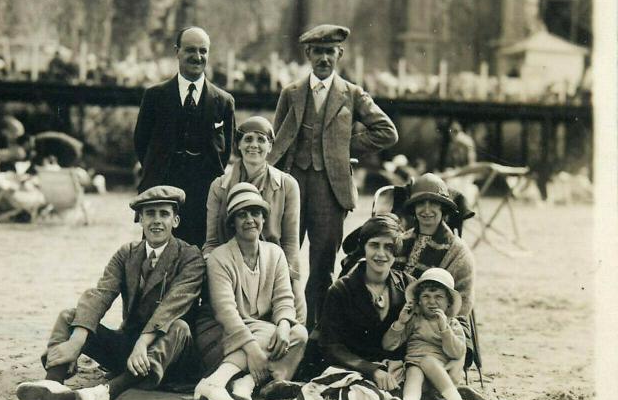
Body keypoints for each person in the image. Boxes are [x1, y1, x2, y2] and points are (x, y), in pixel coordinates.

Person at [16, 186, 205, 400]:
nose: (156, 221)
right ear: (140, 220)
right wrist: (77, 341)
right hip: (129, 349)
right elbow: (101, 294)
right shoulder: (127, 253)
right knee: (70, 316)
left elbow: (172, 306)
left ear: (175, 221)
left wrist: (143, 344)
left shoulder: (190, 256)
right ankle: (54, 383)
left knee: (179, 326)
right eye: (150, 214)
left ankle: (108, 391)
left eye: (163, 214)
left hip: (172, 356)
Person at [267, 24, 399, 330]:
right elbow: (277, 142)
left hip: (331, 190)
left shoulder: (352, 94)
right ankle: (282, 325)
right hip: (292, 186)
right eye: (318, 52)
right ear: (308, 54)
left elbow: (387, 132)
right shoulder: (291, 93)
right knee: (283, 259)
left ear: (339, 54)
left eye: (330, 52)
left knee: (323, 265)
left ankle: (316, 332)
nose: (324, 58)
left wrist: (342, 147)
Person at [194, 183, 308, 400]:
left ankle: (247, 383)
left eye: (255, 213)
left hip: (259, 334)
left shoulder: (275, 253)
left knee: (299, 333)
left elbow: (284, 299)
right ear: (232, 222)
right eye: (241, 214)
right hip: (218, 333)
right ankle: (214, 382)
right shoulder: (219, 257)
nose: (249, 220)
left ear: (264, 218)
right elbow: (225, 312)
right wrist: (254, 350)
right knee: (269, 332)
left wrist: (284, 325)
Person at [133, 26, 235, 248]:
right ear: (177, 51)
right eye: (190, 50)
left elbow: (225, 151)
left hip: (203, 191)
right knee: (158, 251)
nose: (197, 57)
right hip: (164, 186)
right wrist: (161, 169)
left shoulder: (223, 101)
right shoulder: (154, 96)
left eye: (203, 51)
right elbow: (141, 143)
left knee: (200, 253)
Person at [202, 116, 305, 324]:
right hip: (230, 271)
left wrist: (294, 287)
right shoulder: (219, 186)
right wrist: (216, 275)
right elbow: (211, 242)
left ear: (270, 146)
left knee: (297, 326)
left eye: (261, 140)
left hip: (272, 271)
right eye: (248, 139)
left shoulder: (287, 185)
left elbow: (291, 244)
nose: (254, 145)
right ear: (238, 145)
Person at [319, 214, 412, 392]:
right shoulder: (341, 290)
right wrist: (372, 370)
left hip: (395, 371)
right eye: (374, 245)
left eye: (389, 247)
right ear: (364, 248)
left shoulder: (408, 286)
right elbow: (331, 346)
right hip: (353, 369)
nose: (381, 254)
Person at [382, 268, 477, 400]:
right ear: (418, 301)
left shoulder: (452, 323)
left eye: (438, 297)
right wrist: (400, 323)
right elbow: (388, 345)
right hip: (418, 373)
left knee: (427, 361)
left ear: (448, 303)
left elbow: (458, 352)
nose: (432, 302)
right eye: (426, 296)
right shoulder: (414, 320)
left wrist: (444, 329)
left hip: (441, 374)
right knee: (413, 371)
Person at [394, 173, 475, 321]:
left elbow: (462, 305)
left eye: (433, 203)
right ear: (414, 208)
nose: (426, 210)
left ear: (442, 208)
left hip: (435, 327)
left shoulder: (458, 251)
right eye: (420, 203)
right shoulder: (401, 240)